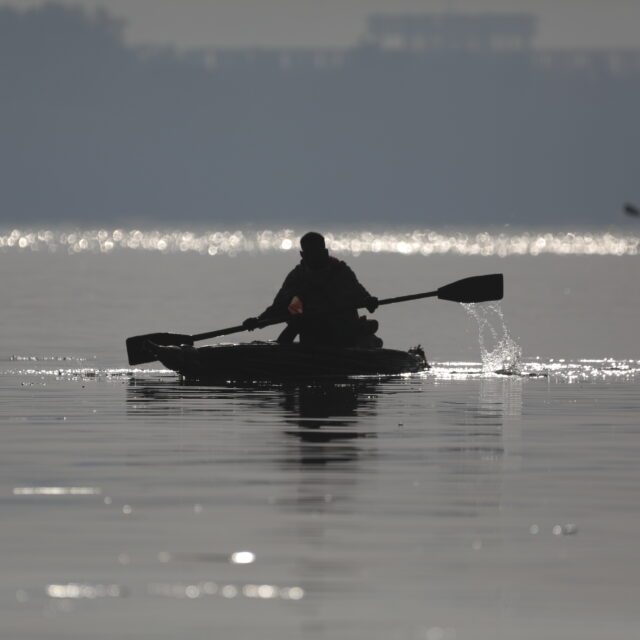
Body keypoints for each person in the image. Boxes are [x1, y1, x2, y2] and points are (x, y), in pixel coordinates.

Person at [243, 232, 382, 347]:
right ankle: (280, 355)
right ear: (302, 255)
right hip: (312, 334)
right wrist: (258, 321)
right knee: (298, 320)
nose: (314, 257)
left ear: (325, 252)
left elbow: (361, 295)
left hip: (342, 333)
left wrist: (369, 301)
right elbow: (278, 306)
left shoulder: (340, 272)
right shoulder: (297, 276)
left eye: (317, 252)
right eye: (310, 253)